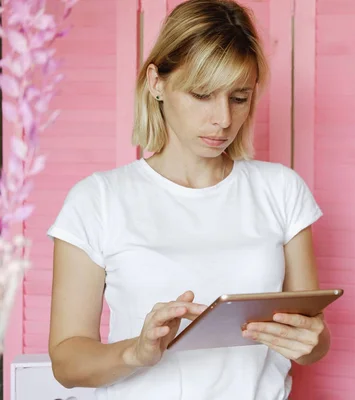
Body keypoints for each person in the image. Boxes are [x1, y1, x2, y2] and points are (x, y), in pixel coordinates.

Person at [47, 1, 329, 399]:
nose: (223, 119)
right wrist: (136, 352)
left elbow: (312, 344)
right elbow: (66, 362)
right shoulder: (98, 200)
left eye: (239, 98)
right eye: (202, 94)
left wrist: (313, 342)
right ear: (156, 83)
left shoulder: (281, 191)